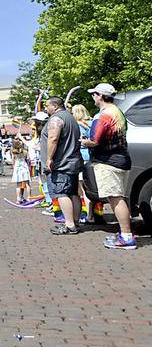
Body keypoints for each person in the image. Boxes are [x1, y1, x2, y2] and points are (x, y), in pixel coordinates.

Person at [80, 83, 137, 249]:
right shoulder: (118, 112)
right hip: (122, 159)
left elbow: (95, 141)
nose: (93, 98)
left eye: (94, 94)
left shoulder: (103, 115)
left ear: (100, 95)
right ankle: (125, 233)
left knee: (115, 199)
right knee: (120, 197)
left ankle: (127, 237)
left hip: (108, 162)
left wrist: (84, 142)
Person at [42, 97, 83, 235]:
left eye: (47, 106)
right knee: (73, 193)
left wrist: (49, 158)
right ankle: (75, 222)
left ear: (55, 106)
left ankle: (70, 224)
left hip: (61, 163)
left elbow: (53, 138)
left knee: (61, 193)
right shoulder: (71, 118)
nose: (45, 108)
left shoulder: (56, 119)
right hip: (72, 162)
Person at [11, 137, 31, 203]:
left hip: (17, 167)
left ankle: (18, 198)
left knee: (18, 184)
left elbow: (13, 160)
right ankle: (29, 197)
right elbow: (28, 159)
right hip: (24, 166)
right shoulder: (25, 151)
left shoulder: (13, 151)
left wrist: (13, 166)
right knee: (27, 184)